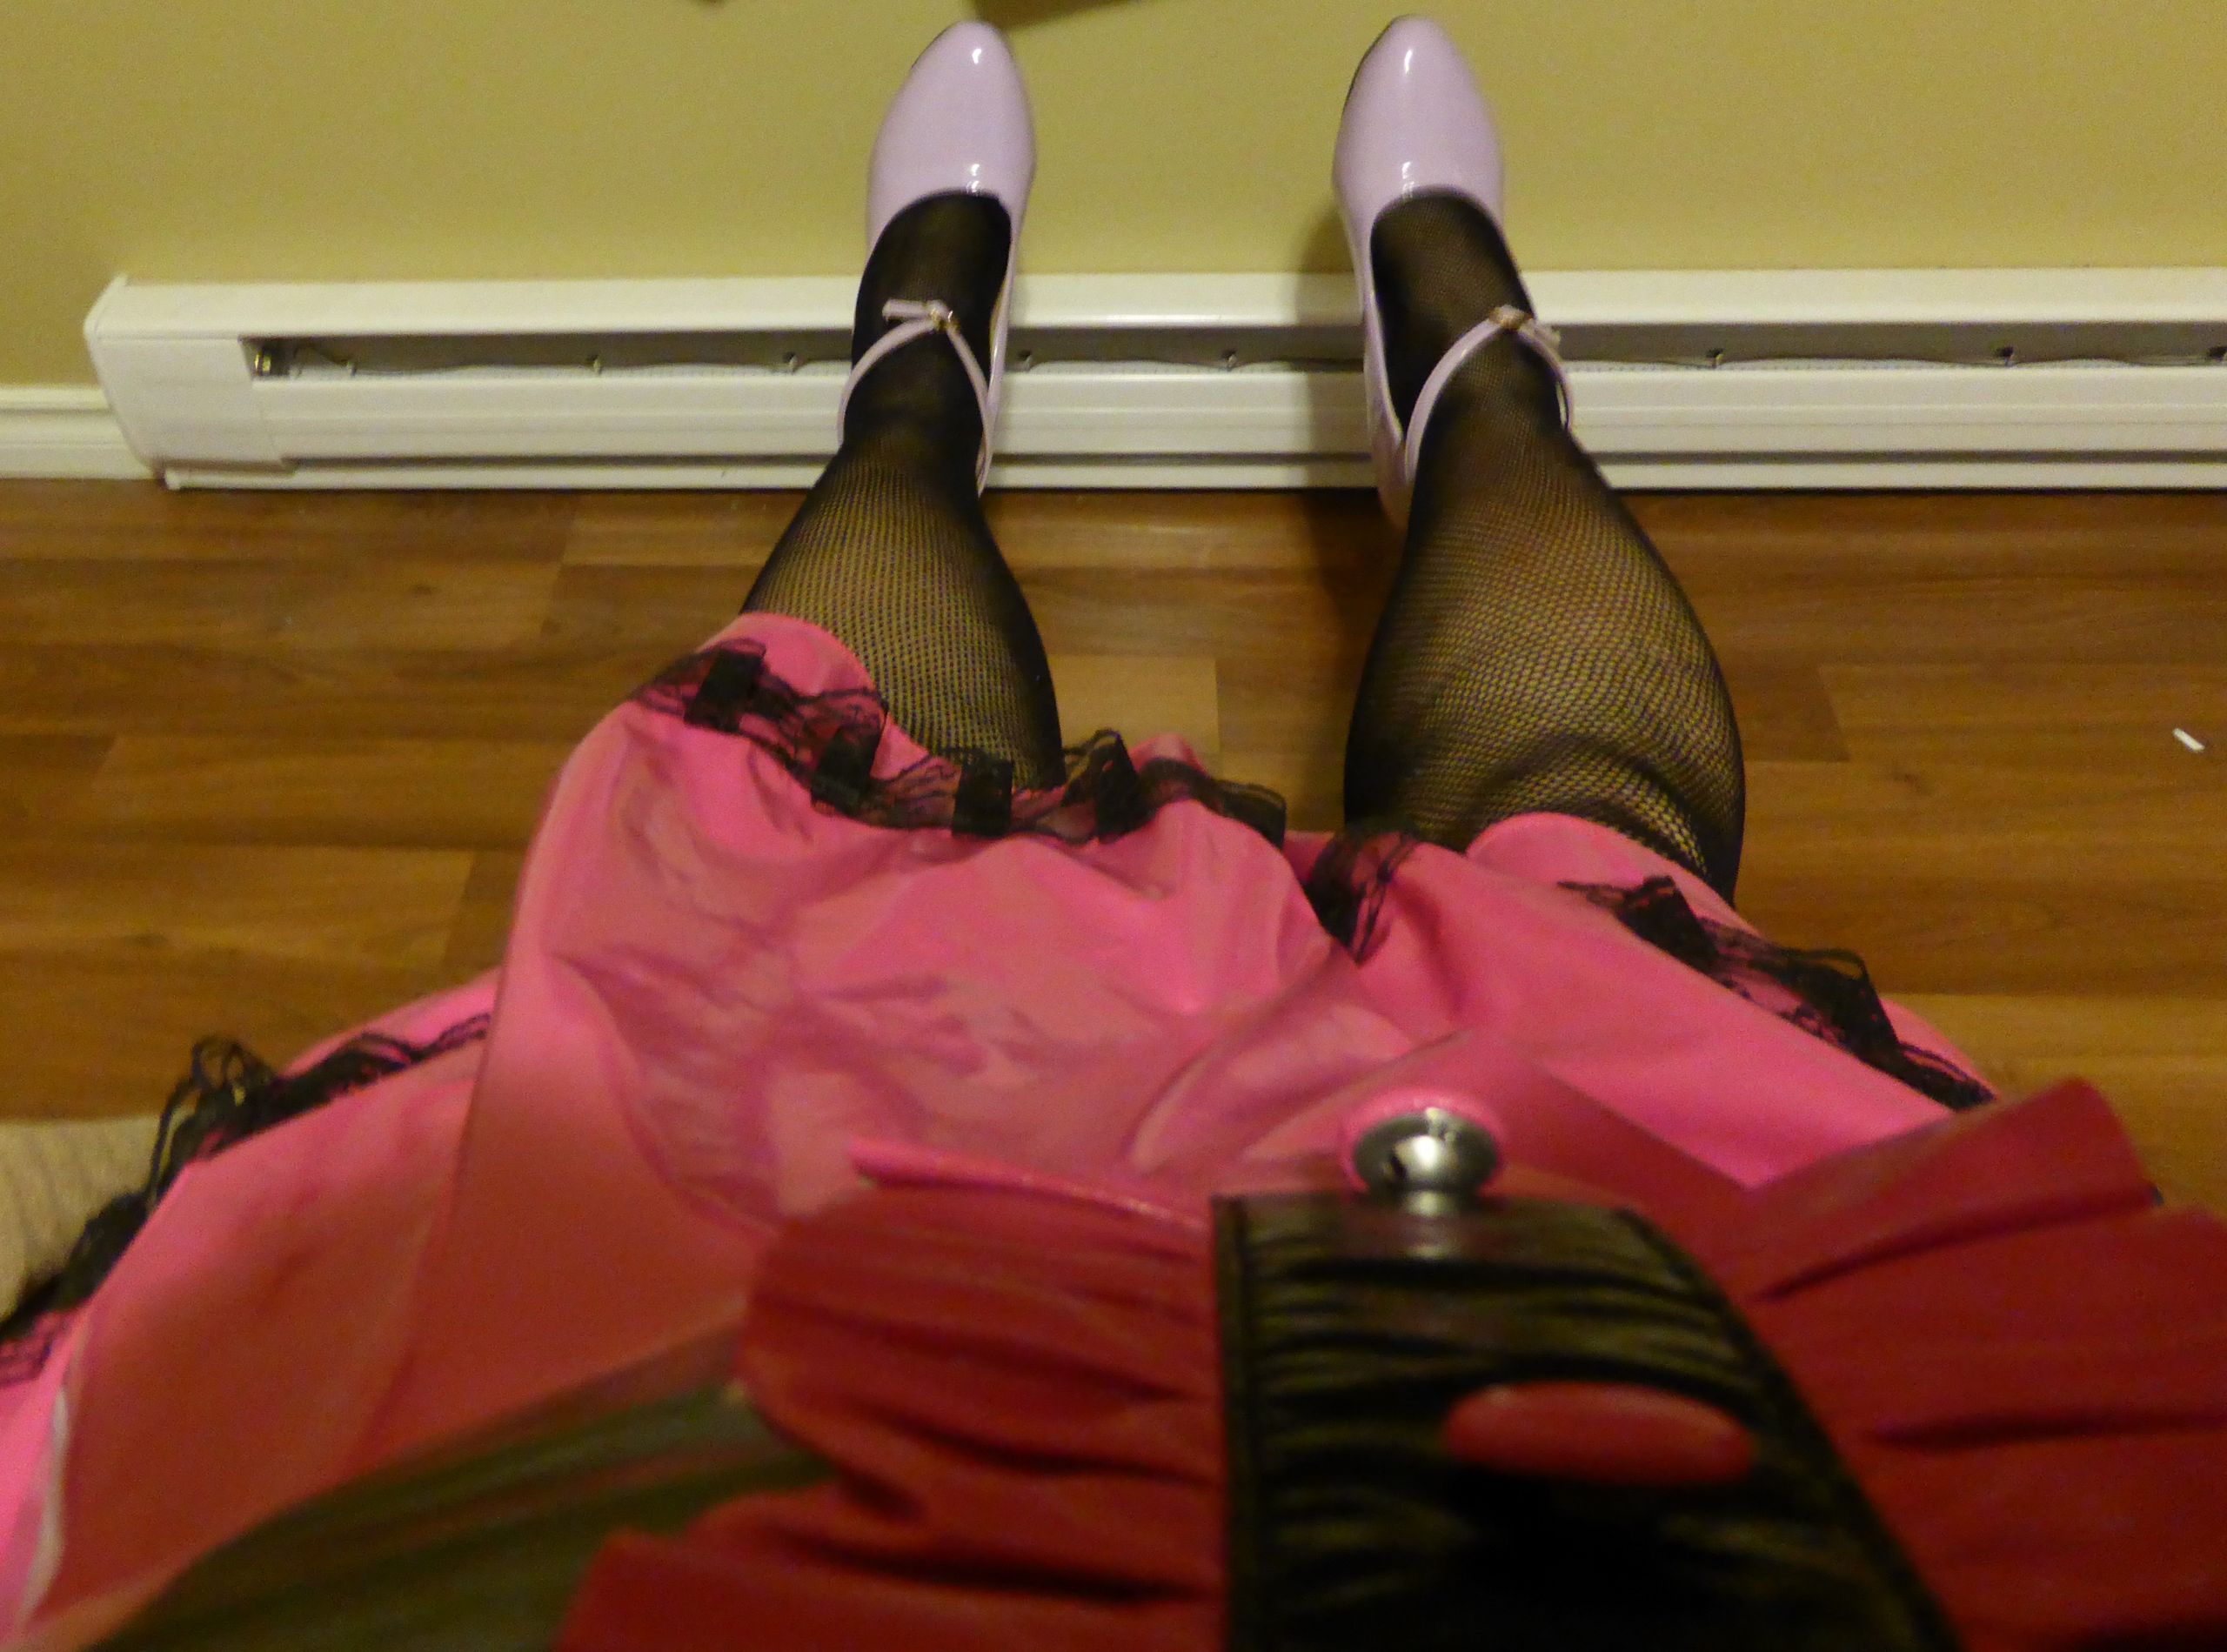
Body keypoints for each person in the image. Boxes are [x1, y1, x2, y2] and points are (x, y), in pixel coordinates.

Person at [1, 18, 2221, 1649]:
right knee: (1576, 867)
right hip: (1696, 1392)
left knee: (825, 849)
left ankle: (918, 368)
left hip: (664, 1383)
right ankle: (1469, 350)